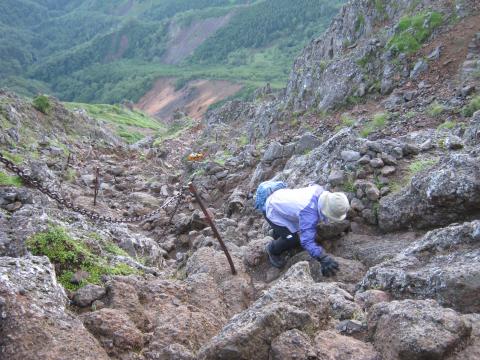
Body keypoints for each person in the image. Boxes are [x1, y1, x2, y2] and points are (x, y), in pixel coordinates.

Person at [263, 184, 350, 277]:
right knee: (292, 239)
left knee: (295, 231)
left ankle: (278, 232)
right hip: (272, 209)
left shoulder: (320, 191)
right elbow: (306, 241)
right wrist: (322, 257)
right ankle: (272, 249)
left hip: (280, 199)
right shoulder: (309, 214)